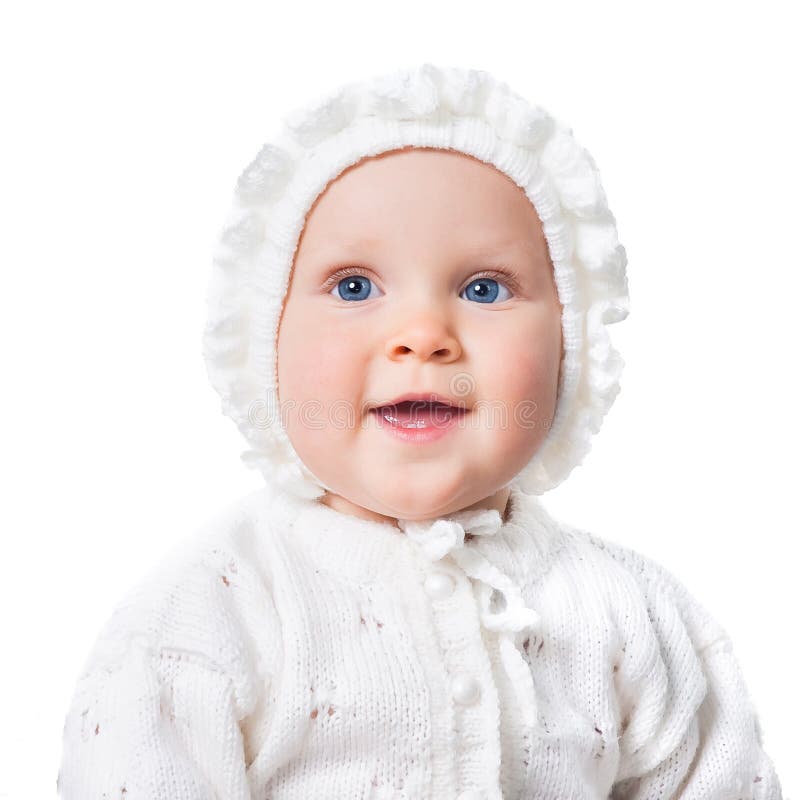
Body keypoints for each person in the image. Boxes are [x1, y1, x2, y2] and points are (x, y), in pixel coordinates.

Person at [57, 62, 783, 799]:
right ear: (261, 341)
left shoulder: (633, 615)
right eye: (354, 287)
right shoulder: (215, 612)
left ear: (574, 343)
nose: (423, 336)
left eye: (483, 289)